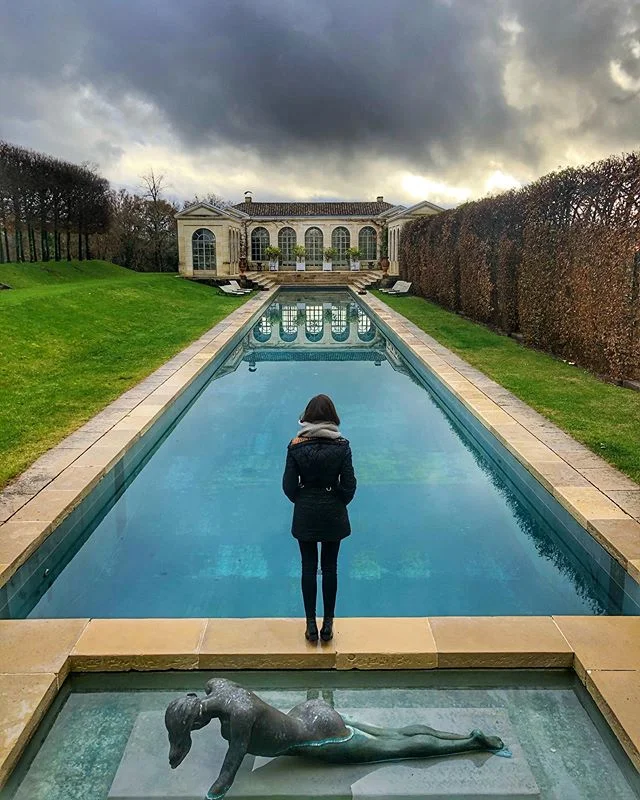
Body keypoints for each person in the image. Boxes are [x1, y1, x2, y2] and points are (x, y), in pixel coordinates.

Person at [165, 678, 507, 800]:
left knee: (394, 748)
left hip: (319, 737)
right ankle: (468, 736)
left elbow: (228, 773)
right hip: (309, 712)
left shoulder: (238, 717)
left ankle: (470, 743)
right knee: (393, 732)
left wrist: (212, 795)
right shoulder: (218, 685)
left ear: (196, 720)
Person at [282, 394, 356, 643]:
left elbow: (288, 486)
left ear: (307, 418)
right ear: (332, 417)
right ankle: (328, 626)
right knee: (330, 568)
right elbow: (349, 486)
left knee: (308, 568)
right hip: (332, 512)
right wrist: (335, 499)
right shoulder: (342, 446)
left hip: (306, 511)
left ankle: (311, 626)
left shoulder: (295, 446)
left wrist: (303, 500)